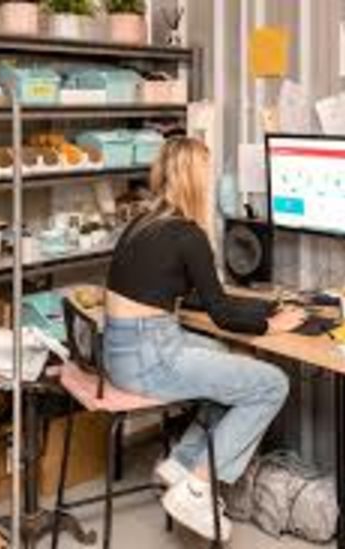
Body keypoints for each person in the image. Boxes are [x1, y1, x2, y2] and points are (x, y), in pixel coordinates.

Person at [103, 137, 306, 541]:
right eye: (207, 173)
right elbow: (221, 313)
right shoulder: (187, 234)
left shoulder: (143, 223)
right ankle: (198, 487)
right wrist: (273, 325)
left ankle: (180, 464)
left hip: (120, 351)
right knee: (271, 384)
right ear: (194, 179)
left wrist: (262, 310)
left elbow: (196, 296)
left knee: (230, 358)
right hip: (151, 356)